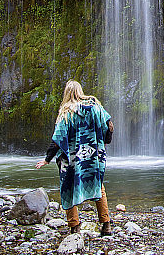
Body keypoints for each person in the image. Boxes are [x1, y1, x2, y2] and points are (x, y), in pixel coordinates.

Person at [36, 80, 114, 236]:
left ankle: (74, 226)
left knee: (68, 188)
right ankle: (106, 225)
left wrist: (47, 158)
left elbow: (57, 139)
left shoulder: (66, 113)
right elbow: (109, 127)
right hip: (92, 158)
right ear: (80, 91)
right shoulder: (96, 108)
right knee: (98, 187)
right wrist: (105, 140)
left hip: (72, 161)